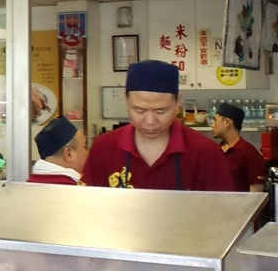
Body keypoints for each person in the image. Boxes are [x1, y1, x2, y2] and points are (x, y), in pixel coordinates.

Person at [82, 60, 234, 191]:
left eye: (161, 111)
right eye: (139, 110)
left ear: (177, 102)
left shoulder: (205, 153)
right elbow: (87, 206)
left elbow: (225, 210)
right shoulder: (103, 148)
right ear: (126, 99)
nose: (150, 121)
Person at [211, 102, 266, 193]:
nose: (212, 125)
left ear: (227, 122)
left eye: (215, 120)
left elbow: (256, 194)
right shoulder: (214, 151)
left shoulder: (250, 154)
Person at [29, 118, 88, 185]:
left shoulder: (29, 185)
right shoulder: (71, 189)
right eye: (84, 147)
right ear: (69, 154)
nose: (87, 153)